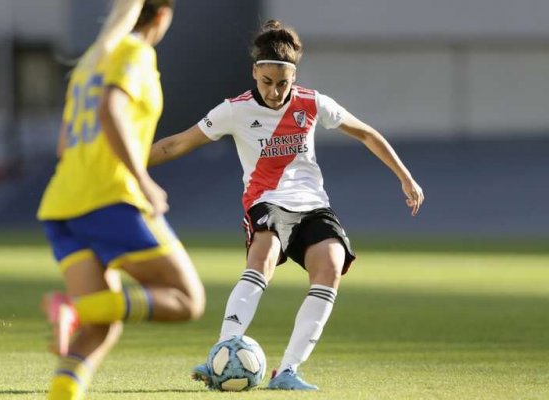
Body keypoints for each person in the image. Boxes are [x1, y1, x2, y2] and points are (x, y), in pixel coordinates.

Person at [149, 20, 424, 391]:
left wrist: (405, 176)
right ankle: (220, 353)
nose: (276, 92)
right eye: (267, 82)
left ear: (293, 76)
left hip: (312, 205)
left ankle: (288, 371)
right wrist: (124, 163)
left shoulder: (312, 103)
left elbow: (365, 132)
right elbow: (175, 144)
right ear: (255, 72)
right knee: (263, 257)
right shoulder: (235, 110)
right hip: (266, 201)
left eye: (283, 83)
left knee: (331, 266)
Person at [37, 1, 205, 399]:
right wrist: (142, 179)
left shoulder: (88, 64)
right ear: (162, 16)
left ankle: (64, 386)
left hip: (62, 206)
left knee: (104, 327)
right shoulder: (135, 53)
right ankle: (78, 309)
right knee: (187, 300)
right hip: (109, 198)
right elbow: (111, 110)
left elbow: (65, 142)